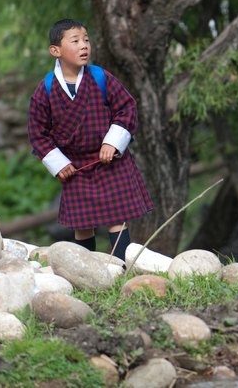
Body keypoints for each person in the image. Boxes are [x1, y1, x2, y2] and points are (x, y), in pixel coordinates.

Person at [27, 18, 153, 260]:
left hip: (110, 162)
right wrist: (58, 163)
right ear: (56, 50)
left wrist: (112, 142)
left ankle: (121, 270)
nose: (84, 45)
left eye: (86, 40)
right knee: (83, 224)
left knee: (117, 219)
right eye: (75, 41)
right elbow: (38, 133)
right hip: (76, 167)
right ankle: (88, 271)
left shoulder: (100, 77)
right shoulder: (46, 89)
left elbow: (127, 108)